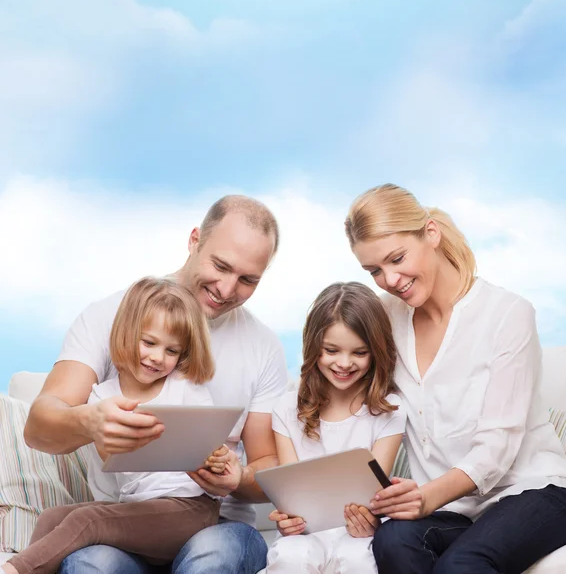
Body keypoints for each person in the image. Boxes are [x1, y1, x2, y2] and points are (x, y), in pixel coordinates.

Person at [24, 196, 289, 574]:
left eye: (247, 280)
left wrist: (236, 478)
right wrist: (90, 423)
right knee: (90, 563)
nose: (228, 289)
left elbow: (267, 468)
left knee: (214, 556)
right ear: (195, 239)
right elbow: (38, 428)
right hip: (125, 524)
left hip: (215, 523)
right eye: (221, 265)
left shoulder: (263, 346)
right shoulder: (111, 316)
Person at [344, 183, 566, 574]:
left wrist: (426, 498)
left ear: (431, 233)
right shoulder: (386, 319)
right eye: (374, 270)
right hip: (452, 508)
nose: (391, 279)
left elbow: (497, 447)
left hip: (530, 491)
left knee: (462, 564)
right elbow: (355, 405)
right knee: (392, 540)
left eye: (397, 258)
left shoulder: (508, 313)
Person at [3, 276, 238, 574]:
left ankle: (14, 570)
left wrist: (217, 460)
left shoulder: (185, 387)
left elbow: (208, 447)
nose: (157, 358)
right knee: (51, 517)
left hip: (190, 509)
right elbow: (114, 466)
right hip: (137, 511)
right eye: (149, 342)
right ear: (127, 333)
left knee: (86, 521)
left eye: (171, 351)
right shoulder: (102, 396)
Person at [266, 282, 407, 574]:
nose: (344, 363)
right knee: (291, 557)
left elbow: (373, 495)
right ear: (313, 347)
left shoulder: (389, 409)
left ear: (376, 351)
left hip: (358, 533)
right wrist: (288, 519)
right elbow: (290, 494)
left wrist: (368, 519)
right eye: (331, 350)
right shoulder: (286, 407)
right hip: (305, 534)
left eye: (359, 352)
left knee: (358, 561)